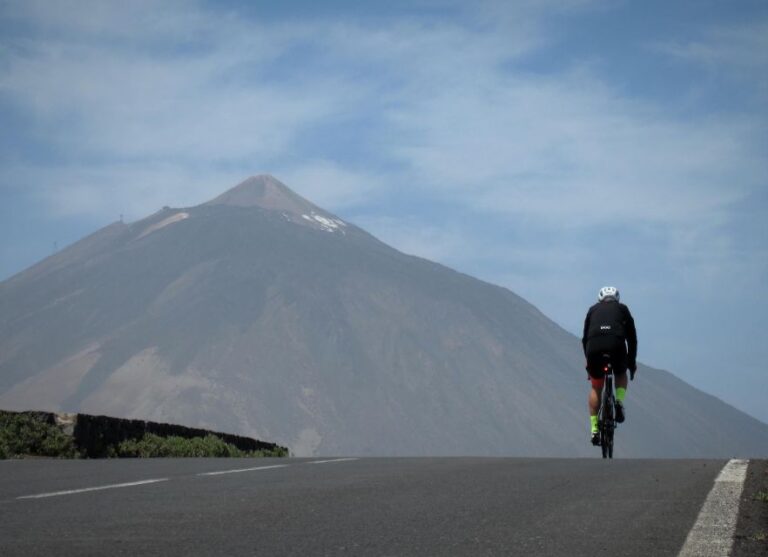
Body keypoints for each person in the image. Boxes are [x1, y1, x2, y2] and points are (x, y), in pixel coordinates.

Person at [582, 286, 637, 446]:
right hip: (616, 346)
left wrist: (589, 365)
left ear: (600, 299)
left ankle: (594, 429)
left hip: (594, 349)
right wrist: (631, 363)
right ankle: (619, 402)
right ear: (617, 299)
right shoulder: (623, 309)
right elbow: (632, 339)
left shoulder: (592, 310)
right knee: (620, 373)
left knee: (596, 386)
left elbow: (585, 339)